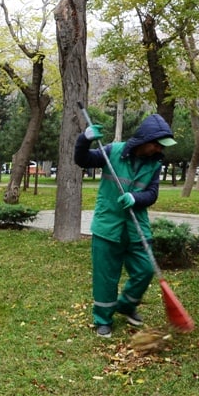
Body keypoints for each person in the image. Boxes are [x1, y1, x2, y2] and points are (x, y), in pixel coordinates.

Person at [74, 114, 177, 338]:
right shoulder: (113, 151)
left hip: (136, 226)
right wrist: (84, 139)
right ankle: (103, 318)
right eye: (157, 145)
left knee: (145, 269)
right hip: (107, 225)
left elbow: (152, 194)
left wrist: (135, 198)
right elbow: (83, 160)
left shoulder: (155, 163)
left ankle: (126, 305)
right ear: (144, 140)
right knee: (106, 277)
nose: (159, 149)